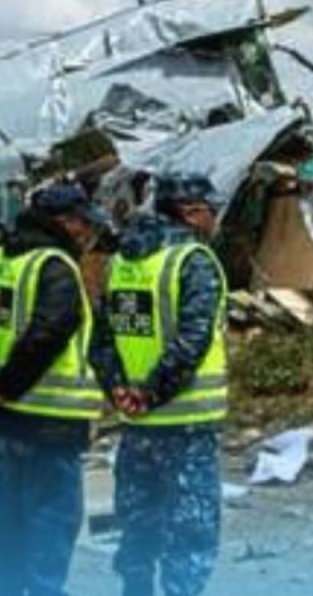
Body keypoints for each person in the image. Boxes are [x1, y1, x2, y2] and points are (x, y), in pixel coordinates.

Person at [90, 173, 228, 596]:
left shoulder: (123, 263)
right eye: (210, 210)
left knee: (140, 519)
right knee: (190, 530)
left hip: (137, 423)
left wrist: (119, 389)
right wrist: (151, 392)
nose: (215, 219)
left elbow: (103, 340)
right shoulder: (193, 261)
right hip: (186, 423)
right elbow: (193, 340)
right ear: (190, 212)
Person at [0, 183, 106, 596]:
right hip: (51, 418)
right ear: (63, 222)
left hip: (8, 420)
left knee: (12, 515)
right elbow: (50, 330)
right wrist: (8, 383)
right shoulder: (55, 266)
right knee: (53, 520)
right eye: (82, 223)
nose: (86, 233)